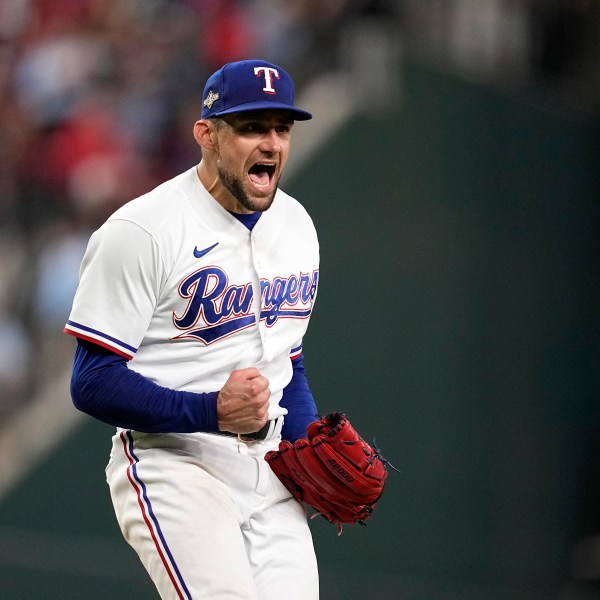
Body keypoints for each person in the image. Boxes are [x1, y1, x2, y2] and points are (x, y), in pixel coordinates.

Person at [64, 59, 321, 599]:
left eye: (282, 128)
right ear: (206, 133)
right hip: (173, 462)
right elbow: (90, 381)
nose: (271, 143)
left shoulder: (297, 224)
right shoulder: (142, 230)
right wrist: (211, 412)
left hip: (270, 469)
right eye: (252, 127)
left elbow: (287, 361)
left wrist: (307, 446)